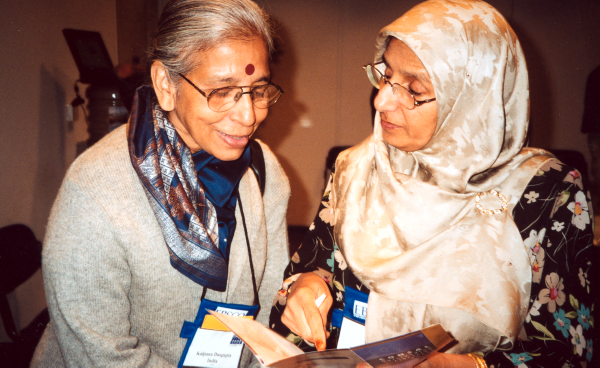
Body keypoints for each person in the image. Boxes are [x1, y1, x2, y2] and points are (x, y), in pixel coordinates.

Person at [269, 1, 597, 367]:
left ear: (474, 98)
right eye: (385, 74)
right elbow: (310, 272)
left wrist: (465, 365)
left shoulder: (547, 195)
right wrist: (304, 289)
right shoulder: (355, 168)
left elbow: (568, 353)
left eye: (414, 89)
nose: (381, 100)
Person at [31, 0, 290, 366]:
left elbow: (266, 314)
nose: (248, 116)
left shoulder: (264, 172)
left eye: (258, 89)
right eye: (222, 91)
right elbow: (101, 354)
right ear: (165, 84)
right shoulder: (96, 190)